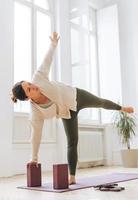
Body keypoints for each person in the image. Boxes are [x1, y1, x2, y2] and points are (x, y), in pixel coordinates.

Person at [11, 32, 134, 184]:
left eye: (29, 84)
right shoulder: (36, 112)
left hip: (76, 96)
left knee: (100, 102)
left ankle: (122, 108)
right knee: (72, 141)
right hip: (67, 113)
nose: (33, 86)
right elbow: (35, 136)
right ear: (28, 97)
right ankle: (73, 177)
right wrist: (34, 158)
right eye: (29, 89)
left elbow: (46, 61)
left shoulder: (39, 77)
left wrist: (53, 44)